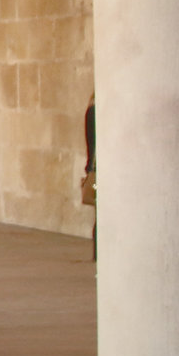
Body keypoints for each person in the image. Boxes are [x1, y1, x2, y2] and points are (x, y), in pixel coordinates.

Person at [80, 97, 97, 261]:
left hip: (95, 167)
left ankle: (98, 252)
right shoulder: (96, 111)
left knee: (99, 213)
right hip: (100, 168)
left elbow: (90, 143)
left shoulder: (91, 110)